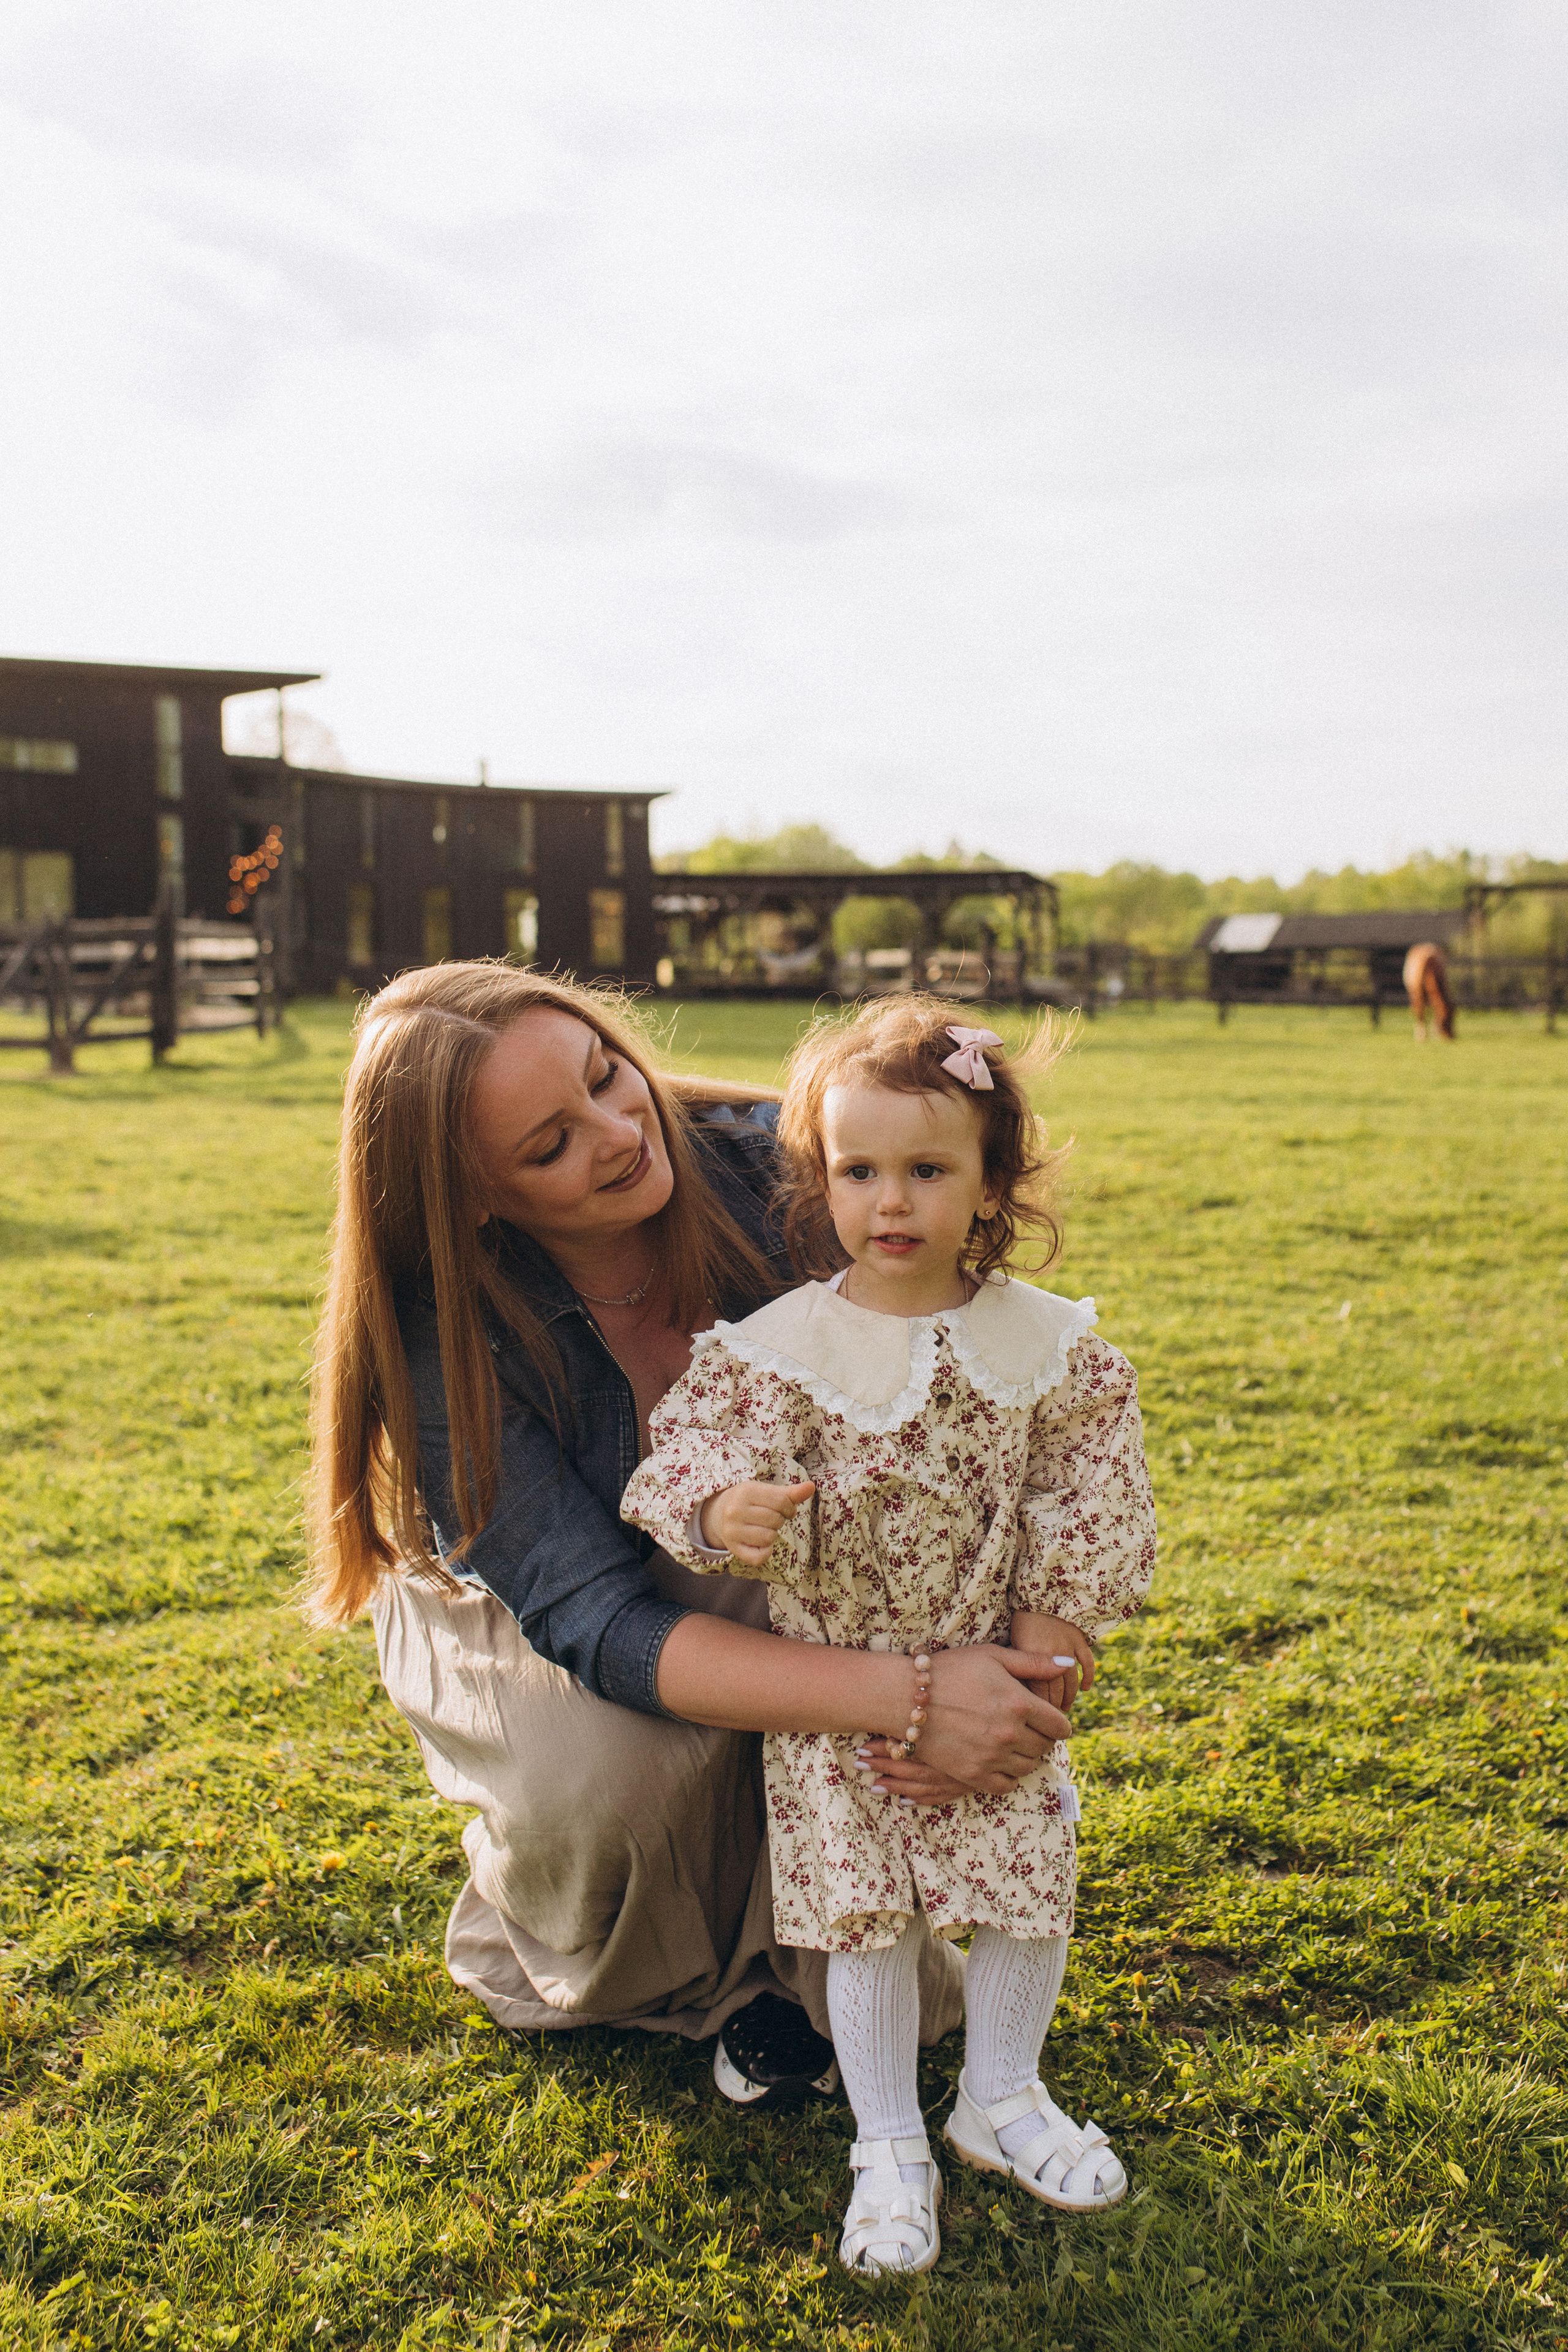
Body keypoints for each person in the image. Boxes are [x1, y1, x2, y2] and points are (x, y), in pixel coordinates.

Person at [306, 963, 1081, 2105]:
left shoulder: (785, 1164)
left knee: (815, 1585)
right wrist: (916, 1694)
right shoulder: (443, 1325)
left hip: (780, 1552)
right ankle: (625, 1938)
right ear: (476, 1197)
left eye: (606, 1075)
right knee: (610, 1782)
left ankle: (812, 1962)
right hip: (530, 1615)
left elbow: (994, 1399)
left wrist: (1028, 1660)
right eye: (551, 1146)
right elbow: (597, 1617)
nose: (621, 1132)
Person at [622, 1000, 1156, 2274]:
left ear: (989, 1182)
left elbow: (1088, 1497)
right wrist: (721, 1506)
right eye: (859, 1171)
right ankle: (883, 2144)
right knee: (861, 1924)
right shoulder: (779, 1352)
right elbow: (683, 1458)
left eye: (928, 1168)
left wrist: (1042, 1665)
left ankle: (1000, 2097)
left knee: (1025, 1886)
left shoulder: (1049, 1348)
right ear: (818, 1181)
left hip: (997, 1670)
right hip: (841, 1695)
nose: (892, 1200)